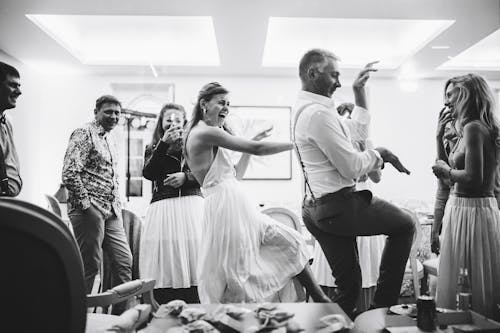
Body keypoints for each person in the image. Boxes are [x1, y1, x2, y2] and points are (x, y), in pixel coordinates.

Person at [184, 82, 331, 303]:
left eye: (228, 104)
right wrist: (298, 144)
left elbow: (235, 174)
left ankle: (318, 298)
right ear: (204, 103)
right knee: (236, 274)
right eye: (221, 103)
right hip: (225, 209)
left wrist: (253, 143)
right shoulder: (204, 132)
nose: (226, 108)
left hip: (234, 204)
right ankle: (236, 318)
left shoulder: (210, 133)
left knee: (290, 242)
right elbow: (259, 150)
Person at [294, 49, 415, 317]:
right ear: (313, 73)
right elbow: (352, 168)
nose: (339, 82)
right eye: (334, 75)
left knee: (349, 288)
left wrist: (360, 92)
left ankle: (336, 325)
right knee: (406, 224)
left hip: (316, 212)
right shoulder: (318, 115)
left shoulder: (315, 110)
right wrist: (380, 153)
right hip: (338, 207)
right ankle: (381, 312)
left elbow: (357, 133)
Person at [432, 74, 500, 319]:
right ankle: (456, 320)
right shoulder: (464, 130)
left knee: (472, 277)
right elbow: (444, 176)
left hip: (474, 210)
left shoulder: (474, 128)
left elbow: (473, 177)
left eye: (452, 94)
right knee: (458, 276)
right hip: (459, 208)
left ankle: (475, 322)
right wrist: (438, 137)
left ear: (467, 95)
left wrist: (448, 171)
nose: (447, 100)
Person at [311, 103, 386, 312]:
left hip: (363, 200)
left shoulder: (366, 140)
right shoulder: (330, 142)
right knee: (339, 265)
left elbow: (377, 177)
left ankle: (365, 312)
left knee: (364, 267)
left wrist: (365, 151)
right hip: (338, 201)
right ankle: (337, 312)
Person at [62, 95, 132, 313]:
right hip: (88, 210)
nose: (113, 116)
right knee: (89, 266)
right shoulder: (84, 133)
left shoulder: (110, 138)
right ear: (96, 112)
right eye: (108, 111)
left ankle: (119, 319)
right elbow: (69, 172)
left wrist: (116, 205)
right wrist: (87, 206)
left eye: (117, 113)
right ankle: (76, 317)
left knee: (124, 263)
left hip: (111, 211)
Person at [140, 103, 203, 304]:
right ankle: (164, 305)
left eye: (178, 119)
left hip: (191, 207)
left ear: (185, 122)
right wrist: (163, 145)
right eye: (168, 119)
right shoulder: (153, 147)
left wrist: (186, 178)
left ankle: (195, 304)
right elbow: (148, 173)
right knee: (165, 259)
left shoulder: (195, 144)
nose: (173, 123)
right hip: (163, 208)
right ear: (161, 122)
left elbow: (207, 173)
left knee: (195, 256)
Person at [0, 61, 22, 197]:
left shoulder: (8, 121)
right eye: (13, 85)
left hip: (7, 202)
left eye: (19, 86)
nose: (19, 92)